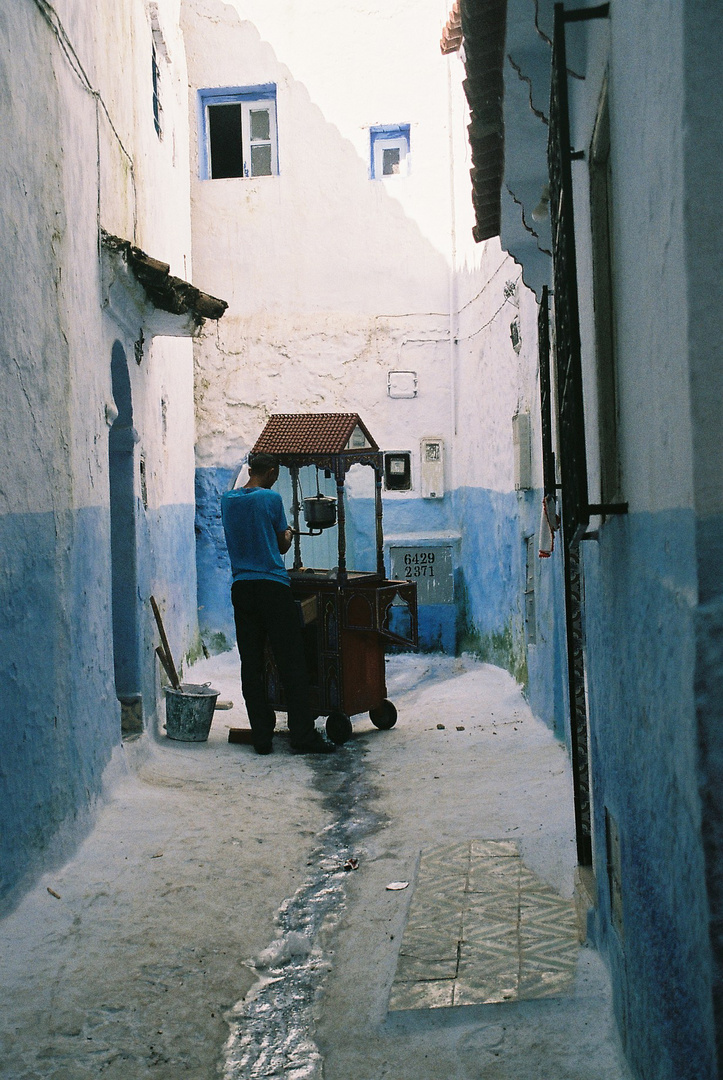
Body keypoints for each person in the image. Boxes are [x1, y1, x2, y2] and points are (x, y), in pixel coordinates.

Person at [221, 452, 336, 755]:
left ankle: (262, 736)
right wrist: (285, 534)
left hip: (242, 587)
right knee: (291, 661)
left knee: (252, 664)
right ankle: (302, 735)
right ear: (271, 472)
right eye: (275, 475)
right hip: (272, 586)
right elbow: (282, 544)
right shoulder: (270, 500)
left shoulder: (227, 501)